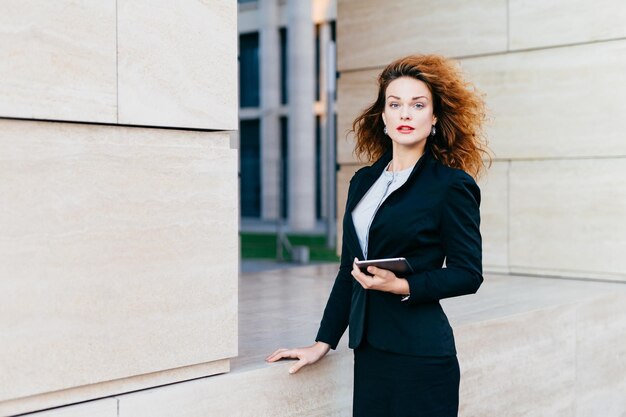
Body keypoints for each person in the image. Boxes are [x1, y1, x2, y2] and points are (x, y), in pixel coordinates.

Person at [266, 54, 492, 417]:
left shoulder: (450, 186)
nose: (405, 114)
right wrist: (322, 342)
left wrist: (400, 285)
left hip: (421, 355)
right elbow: (348, 271)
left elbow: (468, 273)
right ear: (383, 117)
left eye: (418, 105)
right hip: (370, 353)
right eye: (395, 104)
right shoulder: (363, 182)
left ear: (433, 117)